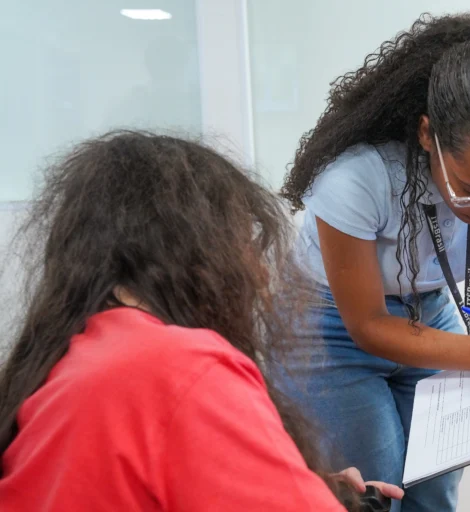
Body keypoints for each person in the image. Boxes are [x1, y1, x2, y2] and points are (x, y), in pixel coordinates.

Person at [0, 131, 403, 511]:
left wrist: (305, 484)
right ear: (198, 254)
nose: (260, 276)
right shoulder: (178, 365)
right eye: (245, 245)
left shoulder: (69, 360)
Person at [279, 13, 470, 512]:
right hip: (328, 324)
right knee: (379, 486)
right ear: (426, 134)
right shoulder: (356, 179)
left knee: (436, 488)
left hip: (426, 306)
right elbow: (368, 325)